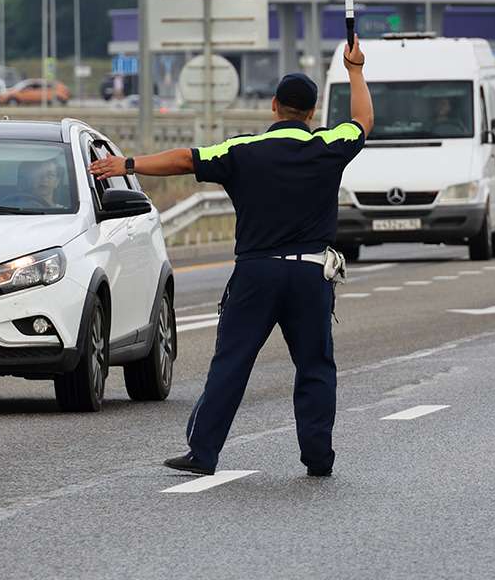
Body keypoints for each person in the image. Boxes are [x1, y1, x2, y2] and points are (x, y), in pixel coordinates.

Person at [90, 35, 374, 478]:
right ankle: (318, 458)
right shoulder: (328, 146)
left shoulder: (241, 151)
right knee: (315, 367)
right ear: (313, 112)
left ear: (274, 107)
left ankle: (203, 453)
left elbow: (185, 160)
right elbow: (363, 120)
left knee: (232, 364)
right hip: (310, 273)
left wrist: (127, 165)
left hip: (256, 274)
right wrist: (355, 70)